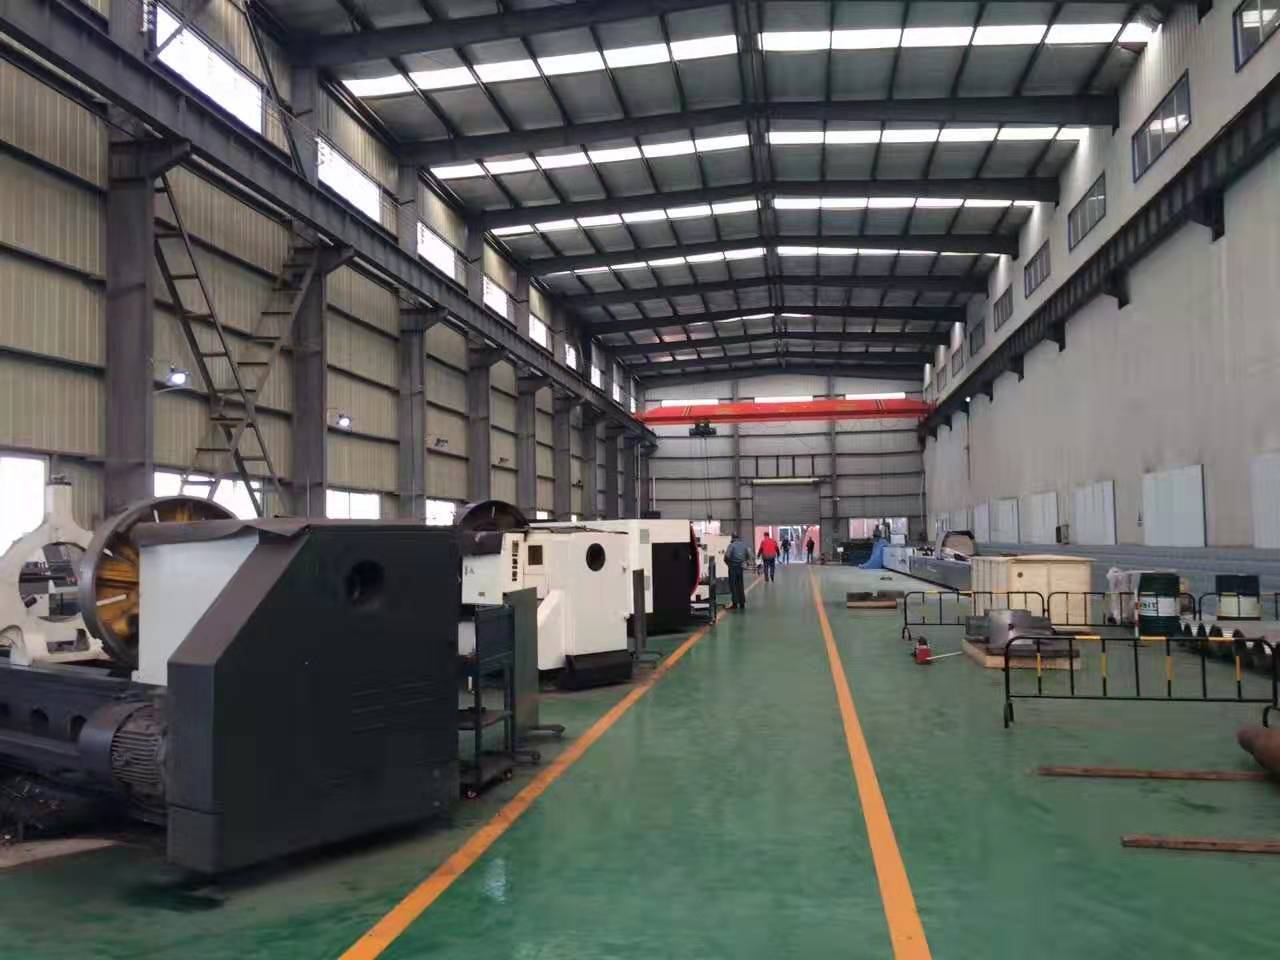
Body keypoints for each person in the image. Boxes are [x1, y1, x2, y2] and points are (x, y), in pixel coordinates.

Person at [724, 533, 752, 610]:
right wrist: (746, 562)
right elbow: (749, 555)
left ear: (732, 538)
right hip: (740, 567)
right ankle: (742, 603)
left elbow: (727, 556)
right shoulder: (744, 545)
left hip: (733, 567)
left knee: (733, 585)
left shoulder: (731, 545)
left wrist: (728, 564)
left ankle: (735, 604)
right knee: (740, 585)